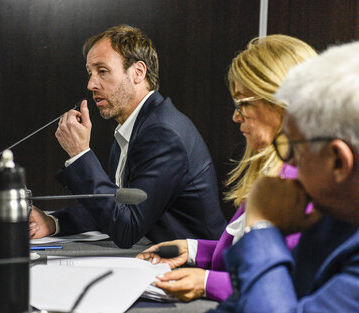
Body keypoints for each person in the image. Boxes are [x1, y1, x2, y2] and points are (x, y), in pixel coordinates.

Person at [211, 41, 359, 313]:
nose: (287, 160)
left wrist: (263, 227)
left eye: (294, 147)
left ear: (338, 161)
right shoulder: (339, 206)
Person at [137, 35, 317, 302]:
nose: (235, 116)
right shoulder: (274, 172)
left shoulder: (307, 185)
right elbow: (248, 250)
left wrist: (207, 282)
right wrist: (194, 250)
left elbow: (290, 284)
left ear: (283, 103)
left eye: (243, 104)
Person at [29, 25, 227, 248]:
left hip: (197, 269)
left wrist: (79, 154)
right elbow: (113, 208)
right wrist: (53, 222)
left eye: (102, 71)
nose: (91, 84)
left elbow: (126, 227)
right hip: (160, 258)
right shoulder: (135, 126)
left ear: (138, 73)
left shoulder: (163, 133)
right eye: (90, 73)